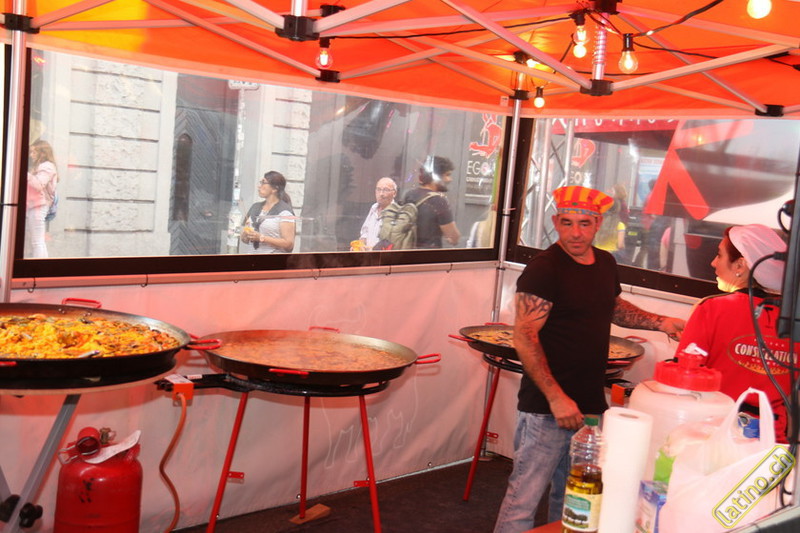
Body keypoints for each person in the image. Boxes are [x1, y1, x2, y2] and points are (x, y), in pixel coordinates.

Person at [493, 186, 686, 533]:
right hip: (547, 407)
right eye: (567, 223)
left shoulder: (605, 263)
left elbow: (612, 306)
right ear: (556, 222)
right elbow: (524, 335)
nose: (575, 233)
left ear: (598, 224)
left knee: (574, 499)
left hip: (589, 405)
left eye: (584, 223)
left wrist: (661, 322)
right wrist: (556, 398)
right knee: (523, 499)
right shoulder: (544, 269)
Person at [675, 224, 796, 443]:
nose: (713, 263)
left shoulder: (711, 308)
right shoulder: (793, 319)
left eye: (719, 255)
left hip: (714, 434)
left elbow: (684, 379)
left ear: (740, 265)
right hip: (771, 441)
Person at [402, 155, 460, 248]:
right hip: (429, 254)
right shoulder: (439, 201)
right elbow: (453, 238)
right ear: (435, 176)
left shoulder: (409, 194)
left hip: (407, 251)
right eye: (447, 175)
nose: (450, 179)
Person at [240, 171, 295, 253]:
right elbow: (244, 239)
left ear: (274, 189)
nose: (259, 186)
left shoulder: (285, 212)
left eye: (263, 183)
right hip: (252, 258)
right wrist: (245, 236)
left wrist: (262, 238)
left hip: (272, 259)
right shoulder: (255, 207)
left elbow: (289, 244)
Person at [26, 139, 59, 258]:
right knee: (36, 241)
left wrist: (25, 174)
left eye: (34, 152)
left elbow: (39, 184)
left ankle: (39, 265)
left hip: (39, 206)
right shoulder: (42, 166)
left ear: (43, 153)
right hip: (35, 205)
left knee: (37, 241)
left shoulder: (47, 166)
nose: (31, 155)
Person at [355, 177, 397, 250]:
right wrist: (359, 246)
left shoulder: (397, 213)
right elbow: (365, 233)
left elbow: (393, 244)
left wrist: (372, 250)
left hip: (383, 256)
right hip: (368, 255)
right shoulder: (373, 208)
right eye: (378, 189)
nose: (381, 194)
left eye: (386, 190)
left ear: (394, 193)